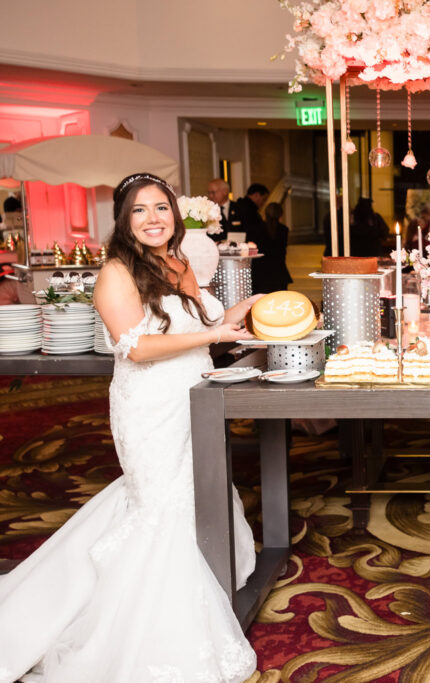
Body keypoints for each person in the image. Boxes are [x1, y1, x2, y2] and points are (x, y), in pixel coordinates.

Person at [0, 173, 262, 682]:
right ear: (123, 220)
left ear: (174, 214)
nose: (153, 219)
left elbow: (200, 328)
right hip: (150, 403)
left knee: (196, 491)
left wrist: (242, 311)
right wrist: (213, 332)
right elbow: (136, 346)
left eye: (161, 207)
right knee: (161, 505)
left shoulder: (180, 262)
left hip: (197, 394)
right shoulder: (115, 273)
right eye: (139, 211)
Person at [260, 201, 293, 292]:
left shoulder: (257, 228)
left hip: (261, 272)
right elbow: (282, 251)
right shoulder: (283, 230)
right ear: (280, 214)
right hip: (279, 271)